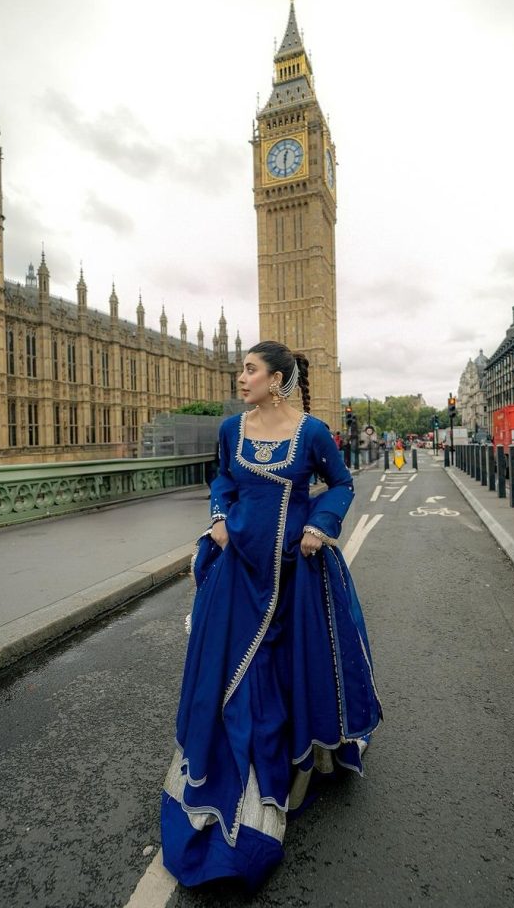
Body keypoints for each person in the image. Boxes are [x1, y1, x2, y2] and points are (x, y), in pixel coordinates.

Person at [160, 340, 383, 889]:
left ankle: (296, 758)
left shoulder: (311, 433)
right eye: (242, 369)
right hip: (239, 569)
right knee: (242, 677)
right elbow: (223, 481)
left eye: (251, 369)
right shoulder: (231, 431)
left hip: (294, 572)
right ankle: (248, 785)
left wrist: (318, 526)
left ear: (278, 378)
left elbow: (342, 484)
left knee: (291, 667)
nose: (242, 377)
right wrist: (218, 516)